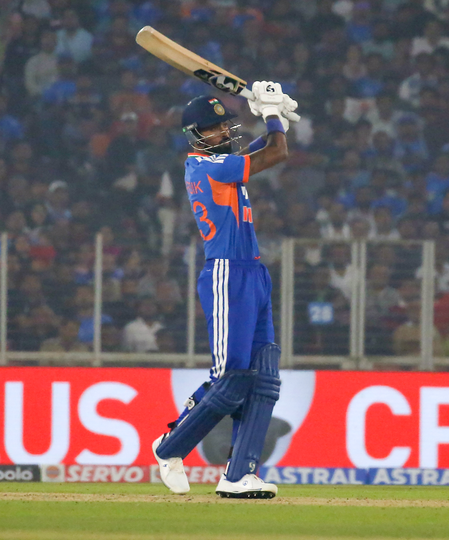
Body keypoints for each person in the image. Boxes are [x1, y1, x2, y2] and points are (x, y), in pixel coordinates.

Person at [152, 83, 297, 499]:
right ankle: (170, 446)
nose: (221, 132)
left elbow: (261, 150)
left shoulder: (222, 164)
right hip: (226, 274)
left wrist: (276, 120)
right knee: (231, 378)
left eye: (224, 125)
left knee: (265, 378)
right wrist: (271, 116)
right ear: (194, 135)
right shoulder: (205, 166)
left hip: (253, 271)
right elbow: (276, 153)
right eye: (213, 128)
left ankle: (238, 475)